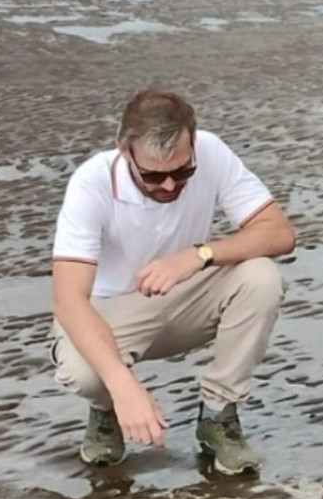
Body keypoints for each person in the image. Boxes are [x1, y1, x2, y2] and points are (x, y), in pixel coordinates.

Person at [50, 90, 295, 476]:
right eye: (152, 175)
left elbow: (280, 233)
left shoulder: (211, 151)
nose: (168, 186)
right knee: (82, 372)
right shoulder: (91, 183)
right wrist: (123, 386)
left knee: (261, 276)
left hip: (184, 298)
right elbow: (68, 301)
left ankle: (217, 416)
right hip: (111, 313)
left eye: (182, 172)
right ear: (124, 151)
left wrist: (198, 254)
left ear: (193, 145)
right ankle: (104, 411)